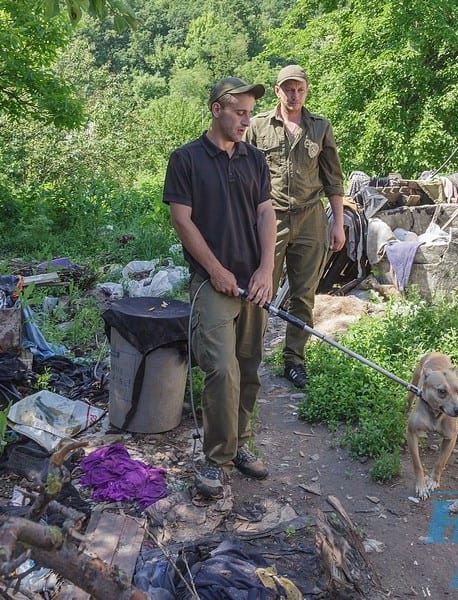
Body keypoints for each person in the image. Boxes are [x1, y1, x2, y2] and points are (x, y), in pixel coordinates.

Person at [163, 77, 277, 498]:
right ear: (216, 109)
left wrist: (266, 269)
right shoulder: (187, 159)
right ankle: (215, 460)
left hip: (255, 282)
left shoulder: (254, 159)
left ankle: (241, 444)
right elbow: (181, 219)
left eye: (250, 112)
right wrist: (214, 269)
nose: (247, 120)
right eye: (239, 112)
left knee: (249, 365)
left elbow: (266, 214)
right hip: (213, 284)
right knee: (222, 369)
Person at [245, 65, 346, 389]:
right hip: (268, 217)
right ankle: (248, 360)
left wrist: (338, 224)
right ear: (277, 91)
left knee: (303, 296)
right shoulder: (259, 126)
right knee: (261, 292)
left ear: (306, 90)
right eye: (288, 89)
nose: (294, 94)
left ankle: (294, 361)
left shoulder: (319, 127)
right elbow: (237, 172)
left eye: (299, 88)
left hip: (310, 218)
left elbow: (333, 178)